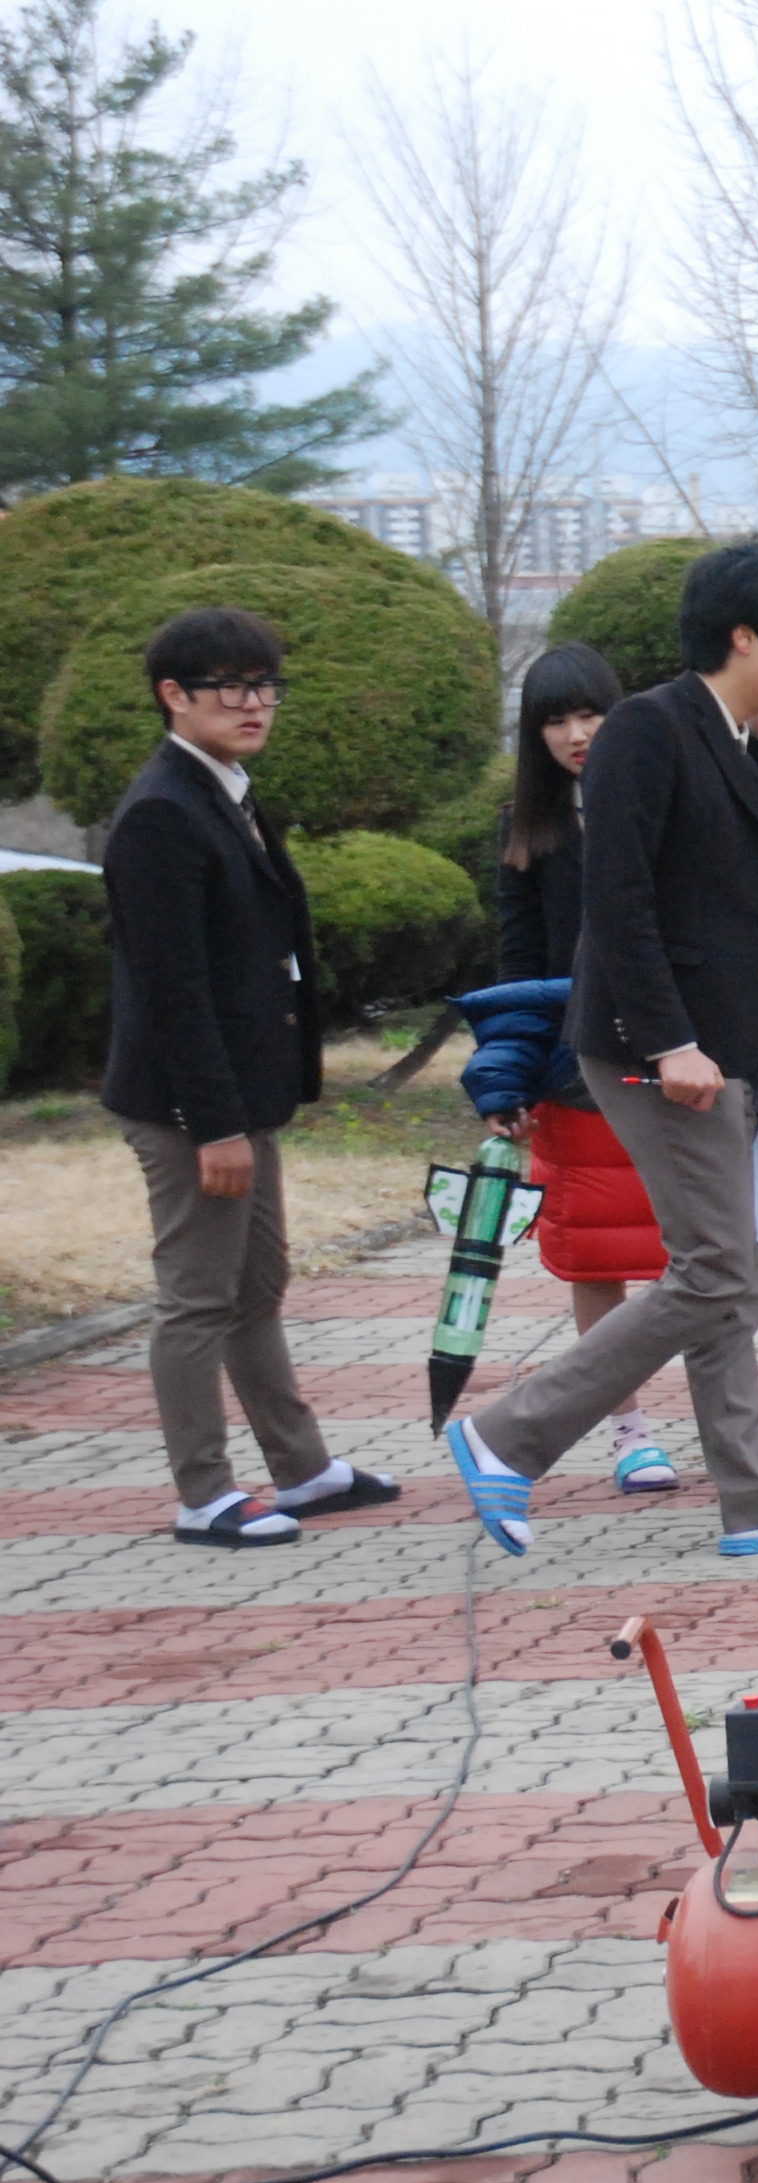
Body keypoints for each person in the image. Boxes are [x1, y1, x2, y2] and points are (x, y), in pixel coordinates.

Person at [446, 541, 758, 1558]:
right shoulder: (646, 730)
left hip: (721, 1055)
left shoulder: (735, 736)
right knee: (718, 1275)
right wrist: (670, 1041)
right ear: (745, 636)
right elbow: (614, 903)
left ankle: (756, 1505)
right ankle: (507, 1436)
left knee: (715, 1276)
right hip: (647, 1052)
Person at [98, 606, 396, 1545]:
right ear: (172, 696)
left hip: (243, 1097)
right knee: (197, 1297)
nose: (253, 702)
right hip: (191, 1104)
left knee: (256, 1287)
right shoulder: (161, 812)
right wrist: (212, 1123)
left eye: (264, 684)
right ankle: (204, 1492)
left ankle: (300, 1469)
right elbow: (171, 990)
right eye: (229, 685)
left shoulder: (225, 788)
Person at [488, 642, 679, 1493]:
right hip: (573, 1071)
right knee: (598, 1256)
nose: (575, 735)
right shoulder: (530, 827)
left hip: (678, 1057)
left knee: (696, 1255)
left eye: (588, 714)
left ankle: (730, 1423)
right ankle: (630, 1430)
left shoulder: (665, 798)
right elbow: (515, 962)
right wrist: (508, 1074)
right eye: (555, 721)